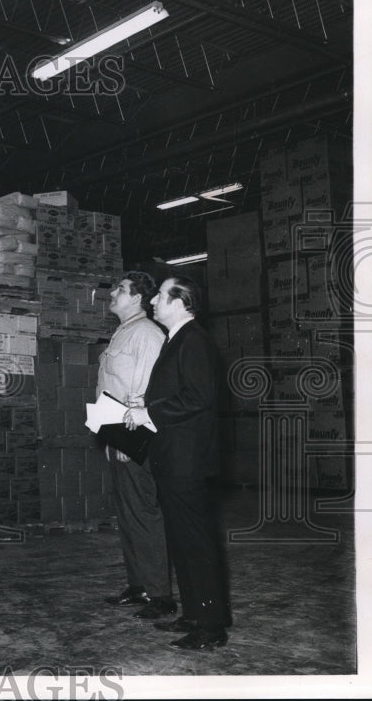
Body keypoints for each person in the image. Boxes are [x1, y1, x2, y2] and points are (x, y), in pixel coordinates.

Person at [125, 275, 230, 650]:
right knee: (183, 542)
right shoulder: (177, 339)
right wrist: (144, 406)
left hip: (187, 461)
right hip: (173, 459)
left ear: (181, 302)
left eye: (159, 296)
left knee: (196, 544)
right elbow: (180, 395)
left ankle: (211, 627)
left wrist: (149, 411)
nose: (152, 301)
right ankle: (195, 614)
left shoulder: (193, 340)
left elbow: (199, 397)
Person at [96, 272, 175, 620]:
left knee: (143, 514)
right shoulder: (124, 331)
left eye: (121, 290)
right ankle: (139, 585)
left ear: (139, 298)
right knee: (128, 514)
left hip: (133, 434)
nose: (113, 293)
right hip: (115, 430)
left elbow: (145, 389)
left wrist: (132, 438)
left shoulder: (146, 334)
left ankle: (160, 595)